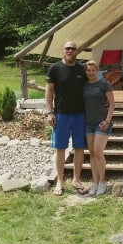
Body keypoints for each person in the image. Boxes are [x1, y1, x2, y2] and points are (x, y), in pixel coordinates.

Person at [45, 41, 87, 195]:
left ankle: (76, 180)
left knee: (80, 147)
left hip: (80, 114)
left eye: (73, 49)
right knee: (60, 148)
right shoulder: (54, 68)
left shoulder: (82, 69)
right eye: (67, 48)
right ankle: (60, 182)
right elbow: (49, 91)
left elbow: (94, 82)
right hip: (61, 114)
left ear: (77, 52)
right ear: (63, 50)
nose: (70, 50)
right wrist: (50, 112)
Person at [82, 60, 115, 196]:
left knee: (98, 151)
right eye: (88, 70)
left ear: (97, 71)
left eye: (93, 70)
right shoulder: (83, 85)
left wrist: (107, 121)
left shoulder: (104, 84)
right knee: (91, 153)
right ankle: (95, 183)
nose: (90, 73)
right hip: (88, 123)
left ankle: (102, 181)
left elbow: (112, 104)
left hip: (102, 123)